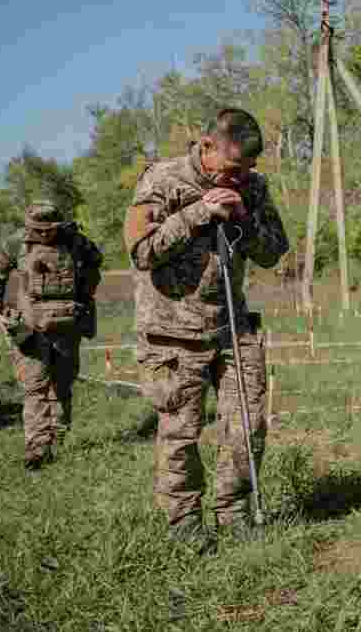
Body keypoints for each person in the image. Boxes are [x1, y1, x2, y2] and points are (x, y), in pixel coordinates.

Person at [122, 108, 288, 549]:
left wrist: (243, 220)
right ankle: (184, 523)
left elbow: (274, 251)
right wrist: (198, 212)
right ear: (207, 145)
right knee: (180, 435)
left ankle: (234, 512)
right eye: (235, 167)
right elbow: (140, 252)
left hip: (232, 329)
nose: (243, 175)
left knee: (248, 426)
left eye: (250, 167)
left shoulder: (252, 187)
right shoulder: (162, 180)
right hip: (172, 335)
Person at [0, 200, 103, 470]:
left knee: (62, 384)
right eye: (38, 229)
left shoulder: (76, 241)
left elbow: (95, 262)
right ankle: (37, 448)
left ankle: (58, 437)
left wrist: (84, 295)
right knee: (35, 386)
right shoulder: (16, 243)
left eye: (49, 229)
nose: (45, 234)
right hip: (30, 327)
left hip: (67, 326)